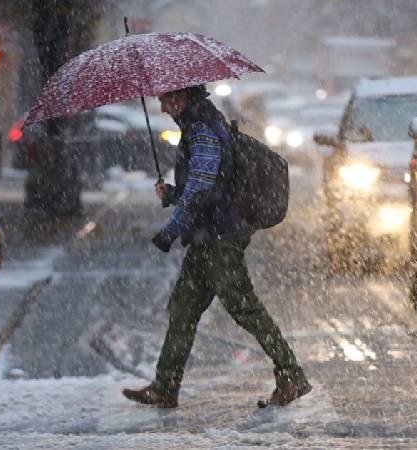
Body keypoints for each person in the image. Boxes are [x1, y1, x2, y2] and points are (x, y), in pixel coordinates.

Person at [122, 85, 311, 408]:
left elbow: (201, 190)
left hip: (219, 238)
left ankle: (291, 375)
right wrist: (171, 194)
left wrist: (170, 230)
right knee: (183, 308)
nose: (163, 108)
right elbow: (205, 186)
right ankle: (165, 386)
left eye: (167, 100)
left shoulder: (202, 131)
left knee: (245, 309)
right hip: (207, 237)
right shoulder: (201, 125)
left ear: (182, 97)